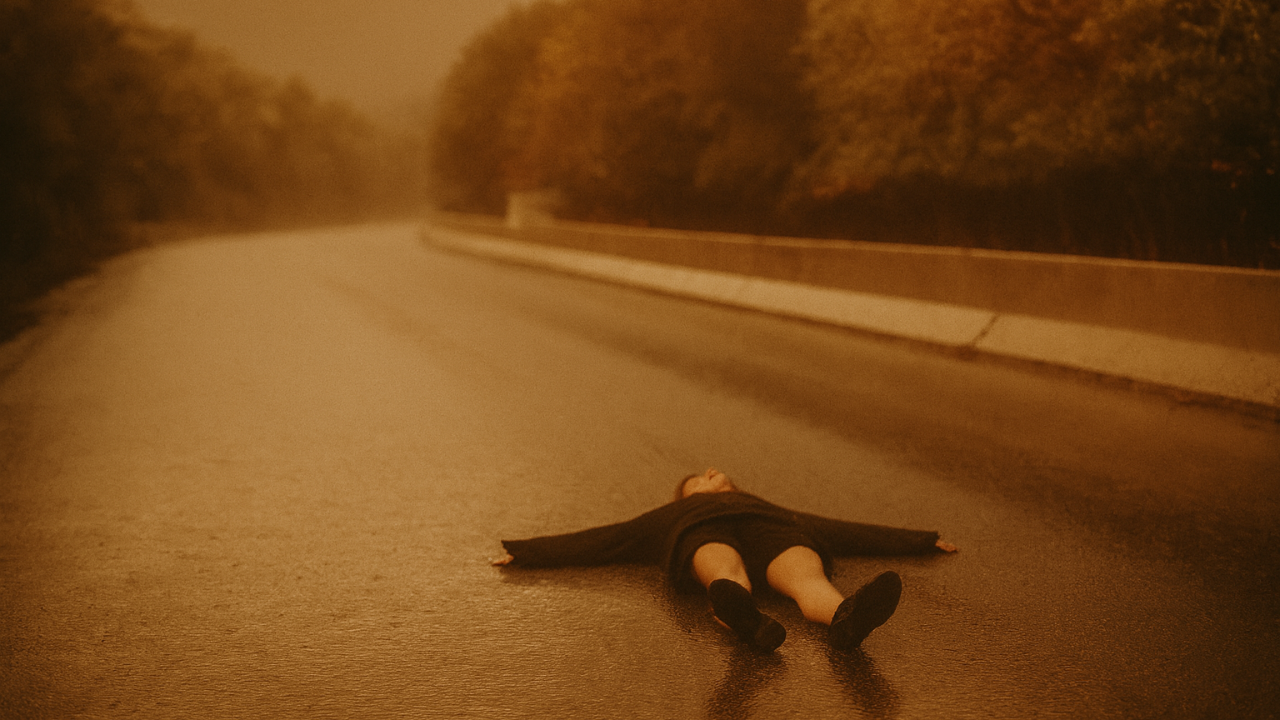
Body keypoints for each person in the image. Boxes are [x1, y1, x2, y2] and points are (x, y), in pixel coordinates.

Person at [494, 468, 957, 652]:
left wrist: (922, 541)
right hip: (702, 532)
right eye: (700, 478)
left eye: (718, 474)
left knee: (807, 575)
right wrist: (526, 552)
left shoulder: (763, 504)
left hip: (772, 531)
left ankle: (846, 618)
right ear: (685, 496)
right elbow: (606, 540)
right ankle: (747, 618)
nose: (712, 474)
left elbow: (839, 529)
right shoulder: (675, 514)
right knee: (723, 567)